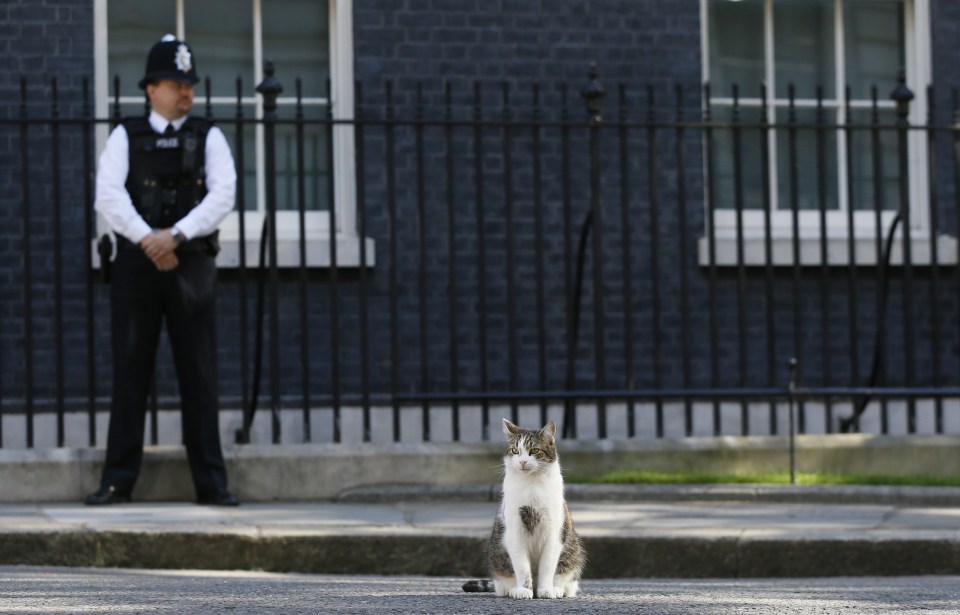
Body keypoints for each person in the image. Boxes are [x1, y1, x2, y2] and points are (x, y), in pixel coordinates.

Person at [85, 34, 238, 506]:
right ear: (152, 88)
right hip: (138, 264)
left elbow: (224, 193)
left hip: (190, 263)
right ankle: (117, 482)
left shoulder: (208, 134)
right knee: (131, 371)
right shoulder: (125, 135)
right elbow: (107, 194)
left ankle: (211, 485)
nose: (186, 91)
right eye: (176, 82)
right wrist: (150, 239)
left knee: (199, 374)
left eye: (188, 82)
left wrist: (175, 235)